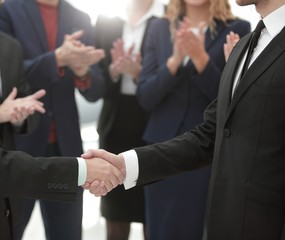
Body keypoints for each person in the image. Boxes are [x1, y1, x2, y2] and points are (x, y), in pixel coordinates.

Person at [83, 0, 285, 239]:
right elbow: (211, 131)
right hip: (209, 188)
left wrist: (200, 59)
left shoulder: (236, 32)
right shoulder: (245, 46)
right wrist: (124, 165)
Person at [133, 0, 250, 239]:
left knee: (195, 229)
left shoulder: (238, 27)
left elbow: (233, 100)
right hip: (159, 148)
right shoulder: (159, 27)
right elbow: (146, 96)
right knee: (158, 229)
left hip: (206, 152)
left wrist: (201, 60)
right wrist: (174, 61)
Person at [0, 0, 106, 239]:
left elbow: (97, 89)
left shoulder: (80, 17)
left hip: (66, 145)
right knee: (10, 231)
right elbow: (9, 71)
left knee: (67, 234)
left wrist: (82, 72)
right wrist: (57, 59)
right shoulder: (10, 10)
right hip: (18, 147)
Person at [93, 0, 164, 239]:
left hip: (155, 126)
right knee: (115, 218)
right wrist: (113, 70)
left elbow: (173, 77)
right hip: (114, 127)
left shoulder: (168, 18)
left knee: (154, 218)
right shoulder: (106, 20)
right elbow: (96, 79)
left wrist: (138, 74)